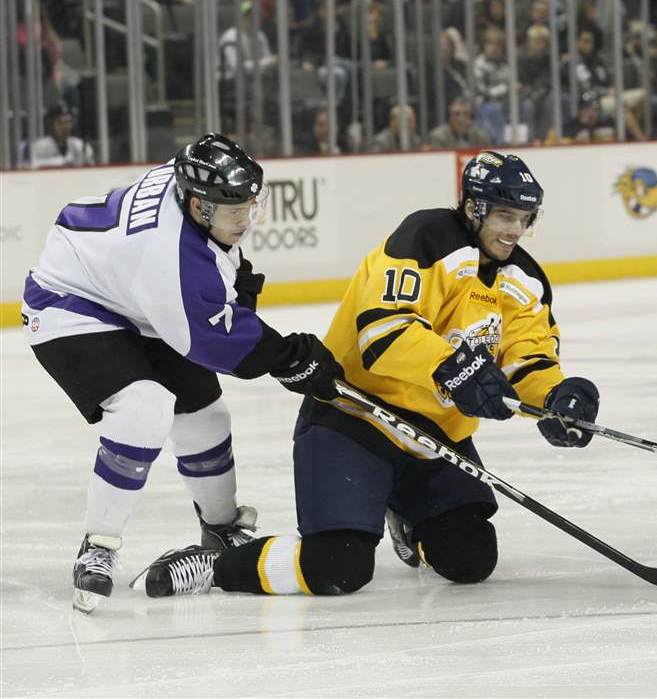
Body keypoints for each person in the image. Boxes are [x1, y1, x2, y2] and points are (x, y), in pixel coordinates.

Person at [137, 151, 601, 599]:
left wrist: (556, 397)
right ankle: (213, 567)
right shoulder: (425, 236)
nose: (515, 230)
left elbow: (528, 358)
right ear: (474, 208)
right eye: (504, 216)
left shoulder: (526, 279)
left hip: (434, 437)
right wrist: (453, 367)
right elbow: (382, 332)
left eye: (524, 219)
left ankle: (403, 510)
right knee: (337, 566)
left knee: (469, 558)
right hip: (355, 418)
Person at [21, 134, 344, 612]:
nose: (246, 221)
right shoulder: (169, 256)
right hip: (69, 304)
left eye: (251, 207)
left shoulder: (190, 183)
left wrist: (232, 277)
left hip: (130, 295)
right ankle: (99, 545)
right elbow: (215, 343)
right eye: (235, 213)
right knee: (144, 408)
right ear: (197, 206)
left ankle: (222, 527)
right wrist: (290, 357)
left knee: (207, 416)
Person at [21, 104, 95, 169]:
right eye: (60, 122)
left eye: (68, 122)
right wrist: (59, 163)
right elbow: (29, 167)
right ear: (51, 124)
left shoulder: (80, 146)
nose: (65, 127)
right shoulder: (38, 147)